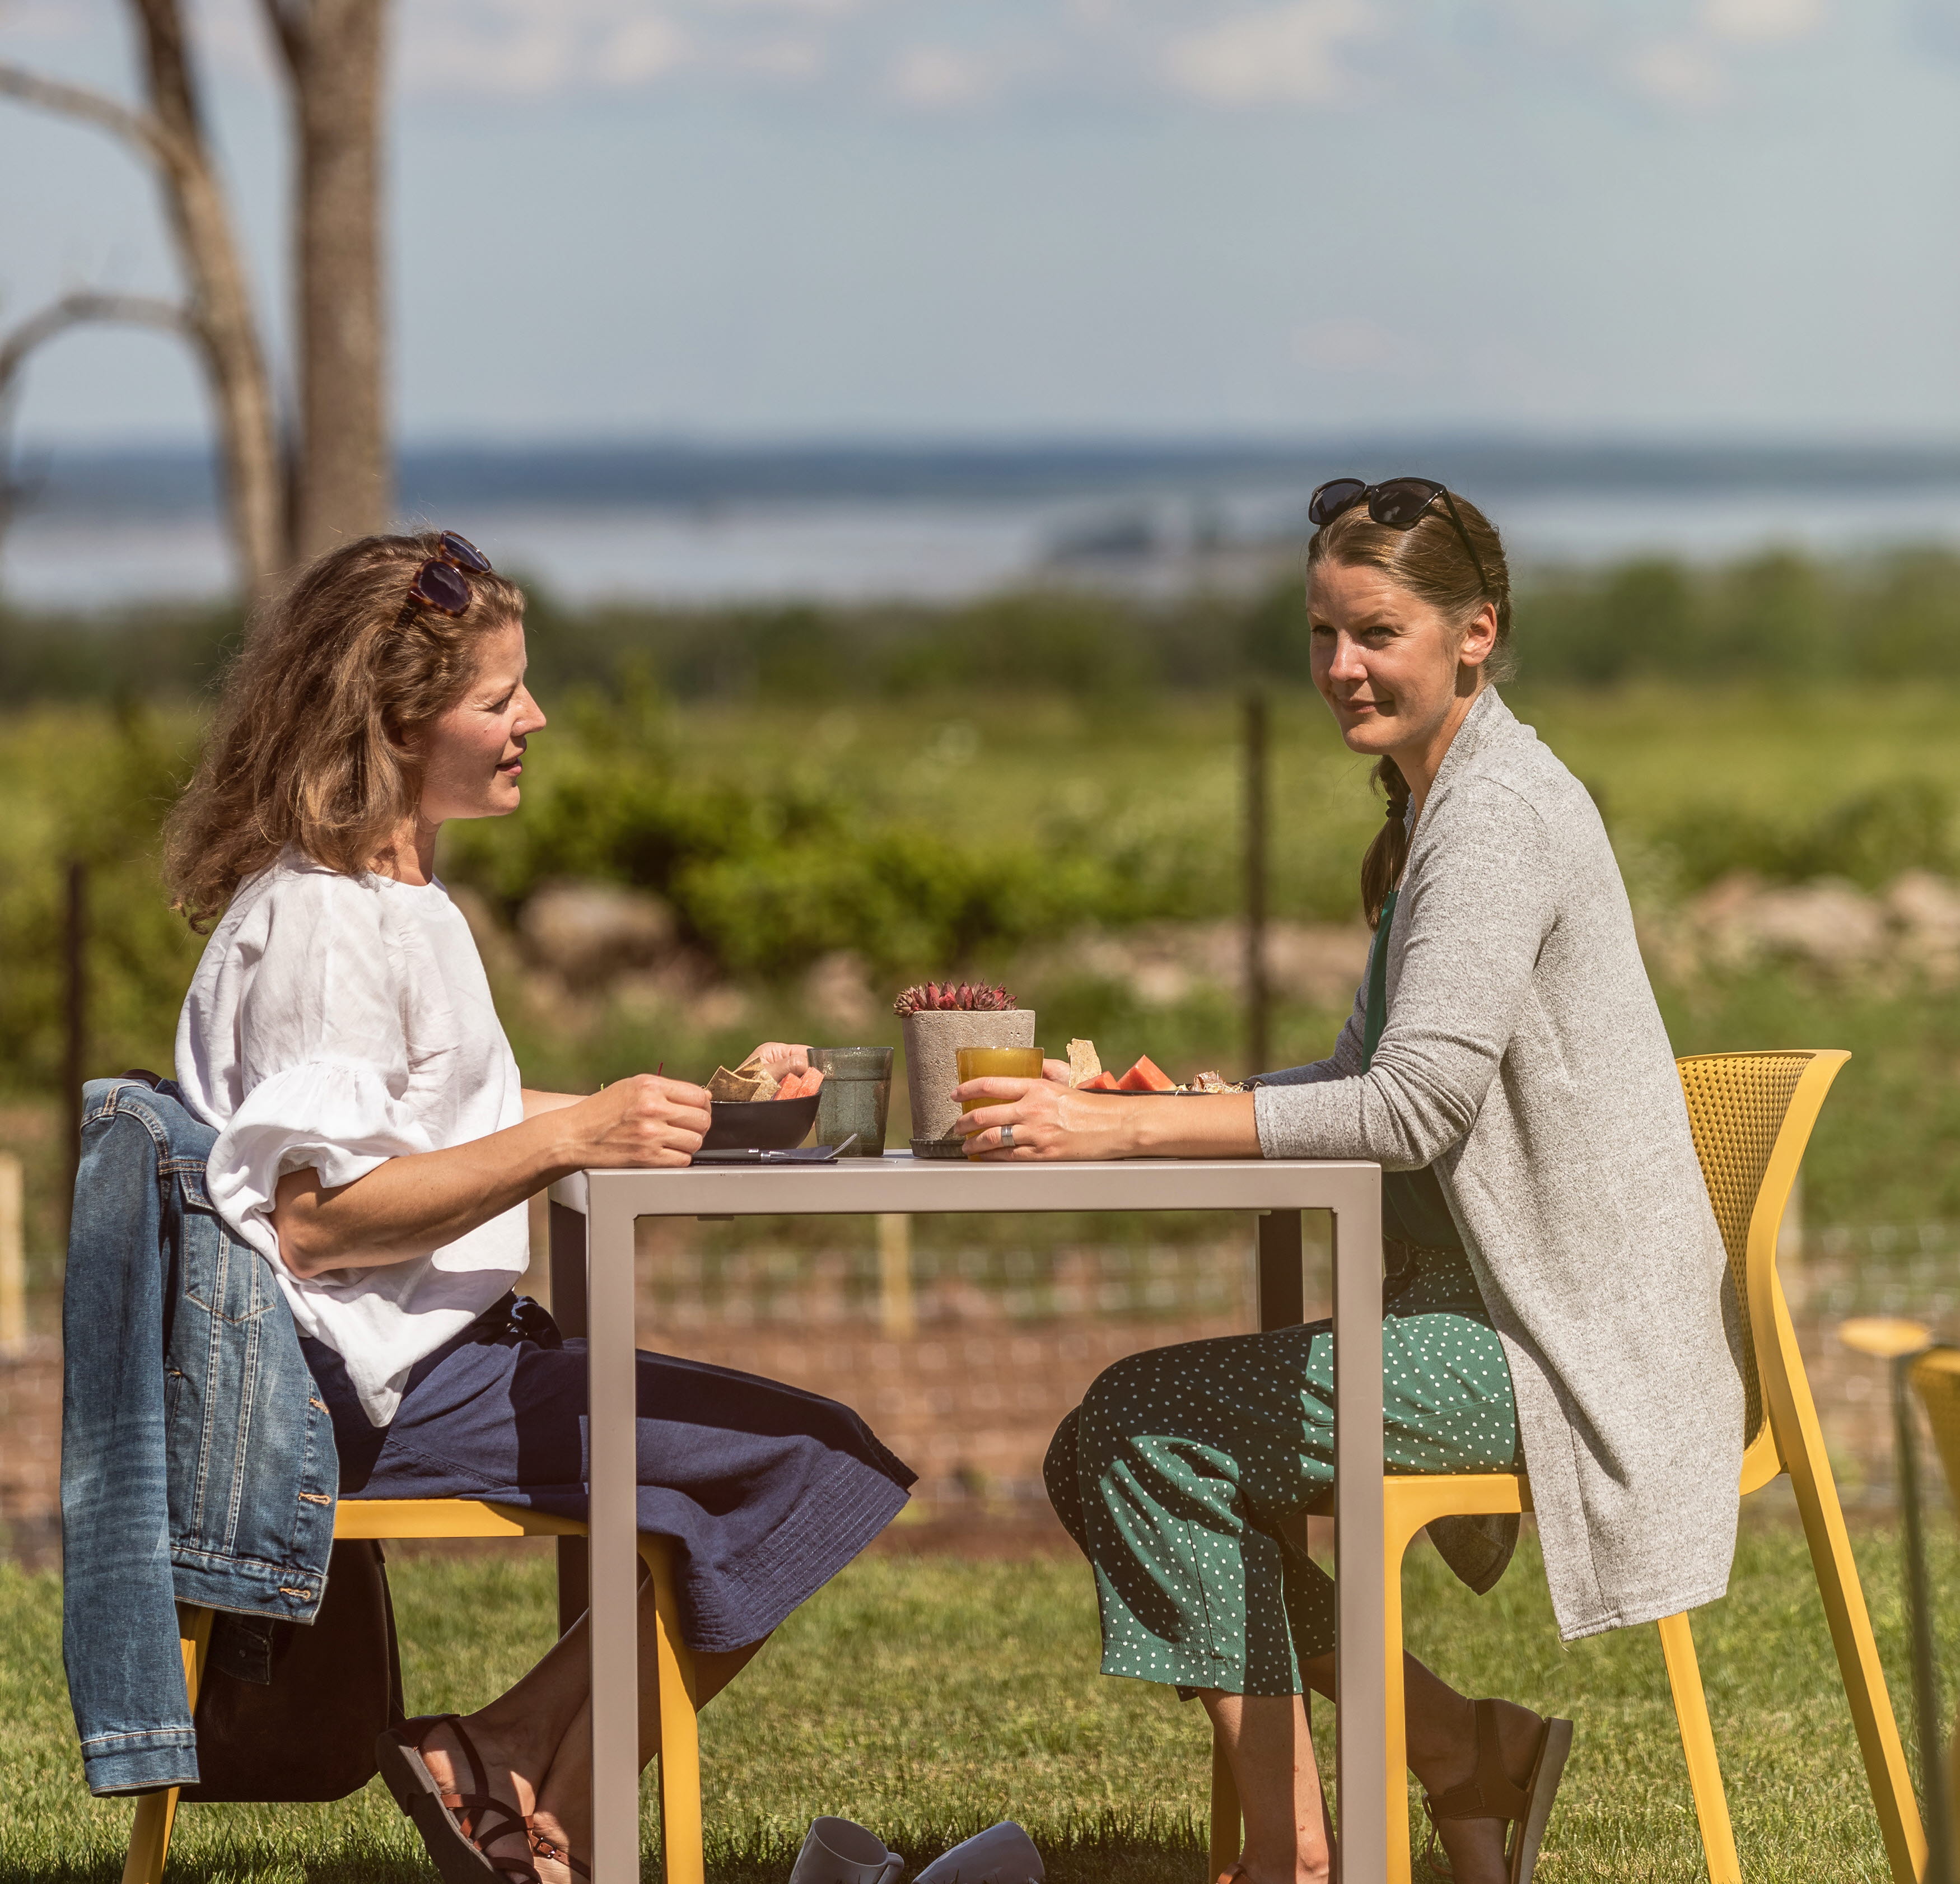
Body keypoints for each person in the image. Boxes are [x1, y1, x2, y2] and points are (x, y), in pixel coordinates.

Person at [951, 478, 1743, 1884]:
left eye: (1375, 632)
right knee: (1113, 1444)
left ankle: (1297, 1853)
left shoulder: (1496, 817)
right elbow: (1359, 1077)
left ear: (1474, 631)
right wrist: (1180, 1105)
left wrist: (1119, 1138)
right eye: (1322, 633)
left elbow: (1410, 1109)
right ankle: (1454, 1746)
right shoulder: (1444, 806)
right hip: (1483, 1311)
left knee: (1140, 1427)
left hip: (1553, 1347)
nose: (1339, 667)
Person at [165, 530, 914, 1884]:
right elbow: (323, 1220)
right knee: (819, 1462)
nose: (536, 719)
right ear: (397, 723)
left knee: (794, 1462)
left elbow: (446, 1120)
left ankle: (511, 1781)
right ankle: (513, 1775)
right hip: (365, 1398)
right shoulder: (328, 928)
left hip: (434, 1361)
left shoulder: (395, 900)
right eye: (499, 697)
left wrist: (696, 1115)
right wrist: (576, 1133)